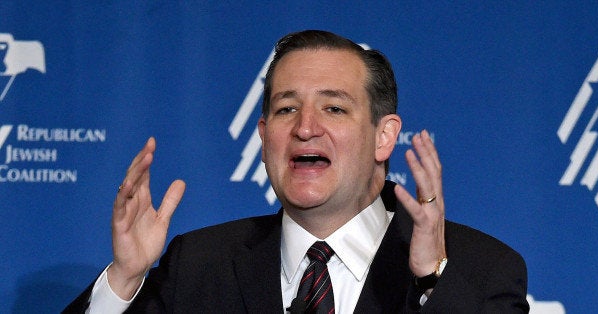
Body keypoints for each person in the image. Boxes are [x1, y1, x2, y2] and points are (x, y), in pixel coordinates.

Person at [64, 30, 528, 313]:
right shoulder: (200, 266)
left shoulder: (478, 269)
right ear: (265, 136)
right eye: (287, 110)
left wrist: (430, 283)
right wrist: (124, 278)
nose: (306, 128)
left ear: (384, 137)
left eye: (334, 108)